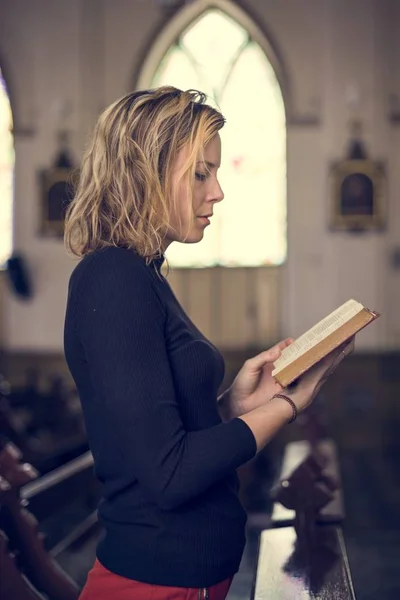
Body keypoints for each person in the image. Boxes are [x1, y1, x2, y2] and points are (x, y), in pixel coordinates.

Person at [63, 87, 353, 600]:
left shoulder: (144, 274)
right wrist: (287, 404)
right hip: (151, 583)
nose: (217, 191)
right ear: (144, 172)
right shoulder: (113, 278)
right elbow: (168, 474)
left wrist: (234, 407)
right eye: (201, 173)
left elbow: (162, 434)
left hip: (183, 578)